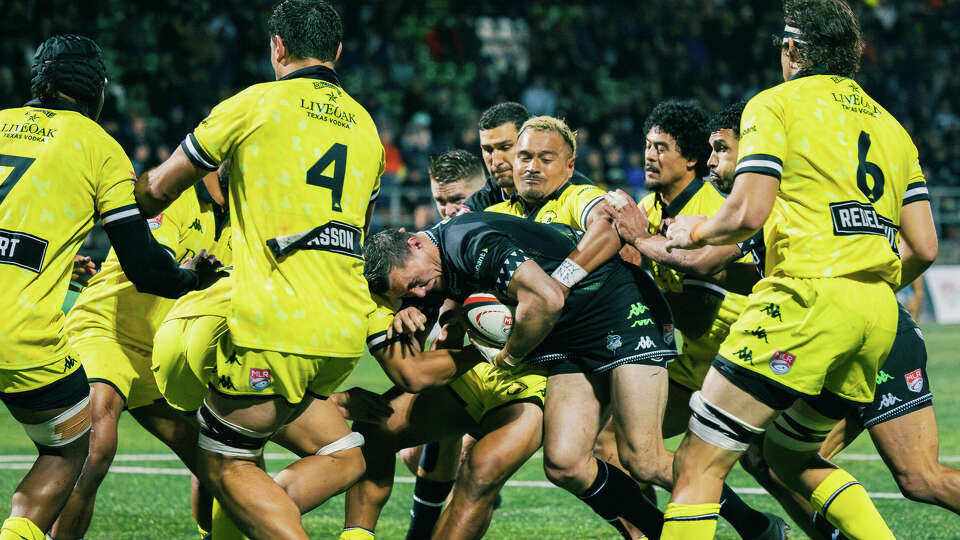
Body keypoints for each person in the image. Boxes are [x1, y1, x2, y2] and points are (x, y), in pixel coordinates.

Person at [659, 2, 938, 538]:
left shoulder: (774, 105)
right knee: (789, 455)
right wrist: (863, 286)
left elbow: (747, 212)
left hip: (806, 299)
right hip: (878, 313)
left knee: (698, 463)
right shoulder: (893, 126)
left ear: (791, 50)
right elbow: (923, 247)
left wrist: (689, 230)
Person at [135, 1, 384, 537]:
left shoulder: (256, 103)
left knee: (227, 462)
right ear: (336, 53)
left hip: (274, 321)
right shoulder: (367, 127)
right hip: (342, 330)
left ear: (277, 46)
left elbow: (156, 192)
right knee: (250, 447)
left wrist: (111, 192)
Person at [0, 34, 221, 540]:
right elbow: (145, 267)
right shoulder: (100, 148)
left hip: (144, 352)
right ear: (97, 92)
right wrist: (191, 278)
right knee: (70, 449)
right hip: (20, 336)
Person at [364, 211, 675, 539]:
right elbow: (415, 366)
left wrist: (511, 342)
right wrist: (422, 316)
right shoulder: (452, 231)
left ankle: (663, 523)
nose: (449, 206)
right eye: (441, 199)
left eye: (454, 199)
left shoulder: (565, 199)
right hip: (484, 361)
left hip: (540, 361)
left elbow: (608, 220)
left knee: (493, 470)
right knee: (376, 428)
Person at [602, 100, 786, 540]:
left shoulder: (713, 205)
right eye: (647, 145)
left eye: (661, 147)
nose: (649, 155)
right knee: (615, 446)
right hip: (696, 361)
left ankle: (758, 526)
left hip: (735, 349)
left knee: (639, 450)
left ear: (690, 159)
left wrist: (638, 263)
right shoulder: (643, 209)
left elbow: (699, 312)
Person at [49, 171, 230, 540]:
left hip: (161, 353)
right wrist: (191, 276)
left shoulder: (248, 217)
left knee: (220, 459)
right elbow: (152, 264)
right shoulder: (173, 196)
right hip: (106, 331)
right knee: (94, 448)